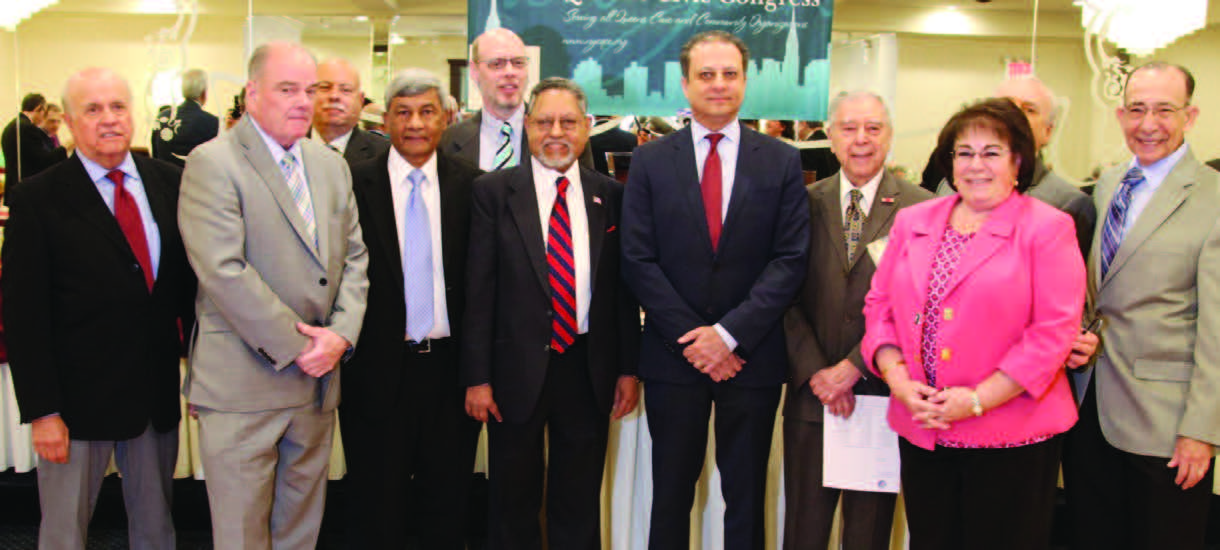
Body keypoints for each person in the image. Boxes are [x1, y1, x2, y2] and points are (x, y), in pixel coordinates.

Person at [861, 97, 1085, 550]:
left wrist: (979, 400)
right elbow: (879, 305)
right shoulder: (913, 221)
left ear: (1018, 160)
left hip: (1012, 436)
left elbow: (1052, 333)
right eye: (964, 153)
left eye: (991, 153)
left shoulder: (1048, 228)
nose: (975, 165)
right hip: (924, 427)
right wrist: (898, 379)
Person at [621, 31, 809, 549]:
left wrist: (728, 336)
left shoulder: (781, 161)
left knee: (746, 495)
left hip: (751, 358)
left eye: (730, 74)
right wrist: (696, 339)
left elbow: (790, 260)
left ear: (746, 82)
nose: (719, 84)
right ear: (685, 84)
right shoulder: (651, 161)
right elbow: (638, 259)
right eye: (706, 74)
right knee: (671, 494)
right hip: (671, 359)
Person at [178, 42, 369, 550]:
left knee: (300, 532)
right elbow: (224, 271)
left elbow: (355, 259)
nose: (303, 102)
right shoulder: (212, 163)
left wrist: (341, 337)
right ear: (252, 93)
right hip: (244, 385)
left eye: (311, 90)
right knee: (242, 536)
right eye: (288, 89)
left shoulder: (329, 165)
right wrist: (303, 347)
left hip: (316, 387)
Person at [2, 67, 195, 550]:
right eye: (92, 109)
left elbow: (190, 289)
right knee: (65, 533)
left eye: (118, 107)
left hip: (152, 398)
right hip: (73, 407)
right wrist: (43, 411)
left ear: (134, 114)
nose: (108, 119)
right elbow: (24, 316)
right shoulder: (37, 198)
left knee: (157, 529)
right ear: (68, 121)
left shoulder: (170, 182)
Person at [463, 77, 640, 549]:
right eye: (543, 122)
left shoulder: (611, 195)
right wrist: (476, 377)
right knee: (512, 500)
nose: (555, 132)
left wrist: (627, 368)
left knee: (578, 499)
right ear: (526, 125)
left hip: (587, 367)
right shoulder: (493, 193)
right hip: (512, 371)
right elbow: (478, 292)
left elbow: (620, 292)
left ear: (586, 128)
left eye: (567, 122)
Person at [1064, 62, 1220, 550]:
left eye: (1164, 110)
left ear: (1190, 116)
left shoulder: (1213, 198)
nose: (1148, 124)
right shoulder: (1108, 185)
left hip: (1167, 423)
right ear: (1119, 114)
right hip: (1090, 404)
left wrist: (1202, 431)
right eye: (1136, 110)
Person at [782, 91, 932, 550]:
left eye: (873, 128)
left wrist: (854, 366)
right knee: (803, 531)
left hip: (881, 395)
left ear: (889, 135)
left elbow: (919, 305)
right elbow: (781, 294)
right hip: (812, 397)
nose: (861, 140)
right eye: (849, 128)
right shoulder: (800, 203)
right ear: (830, 136)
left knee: (867, 536)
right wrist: (818, 373)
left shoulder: (921, 209)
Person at [341, 68, 483, 550]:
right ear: (385, 119)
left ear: (446, 118)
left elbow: (483, 287)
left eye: (426, 112)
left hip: (449, 372)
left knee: (447, 505)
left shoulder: (474, 187)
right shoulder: (353, 184)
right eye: (403, 113)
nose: (415, 124)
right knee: (377, 506)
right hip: (377, 370)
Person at [934, 77, 1096, 257]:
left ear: (1048, 131)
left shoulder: (1068, 203)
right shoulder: (950, 187)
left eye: (1029, 110)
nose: (1014, 116)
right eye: (1006, 105)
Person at [440, 28, 592, 171]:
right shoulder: (448, 141)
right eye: (497, 64)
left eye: (518, 63)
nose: (509, 72)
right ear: (474, 71)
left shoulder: (566, 136)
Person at [312, 58, 389, 165]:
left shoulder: (386, 154)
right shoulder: (287, 147)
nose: (334, 96)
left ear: (360, 100)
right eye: (325, 87)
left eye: (346, 90)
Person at [2, 93, 68, 200]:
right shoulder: (27, 128)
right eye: (44, 113)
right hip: (26, 192)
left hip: (14, 188)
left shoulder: (12, 126)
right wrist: (66, 146)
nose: (43, 118)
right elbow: (42, 162)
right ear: (39, 109)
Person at [151, 68, 220, 167]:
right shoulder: (212, 122)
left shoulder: (162, 118)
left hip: (163, 179)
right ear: (204, 93)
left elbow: (155, 157)